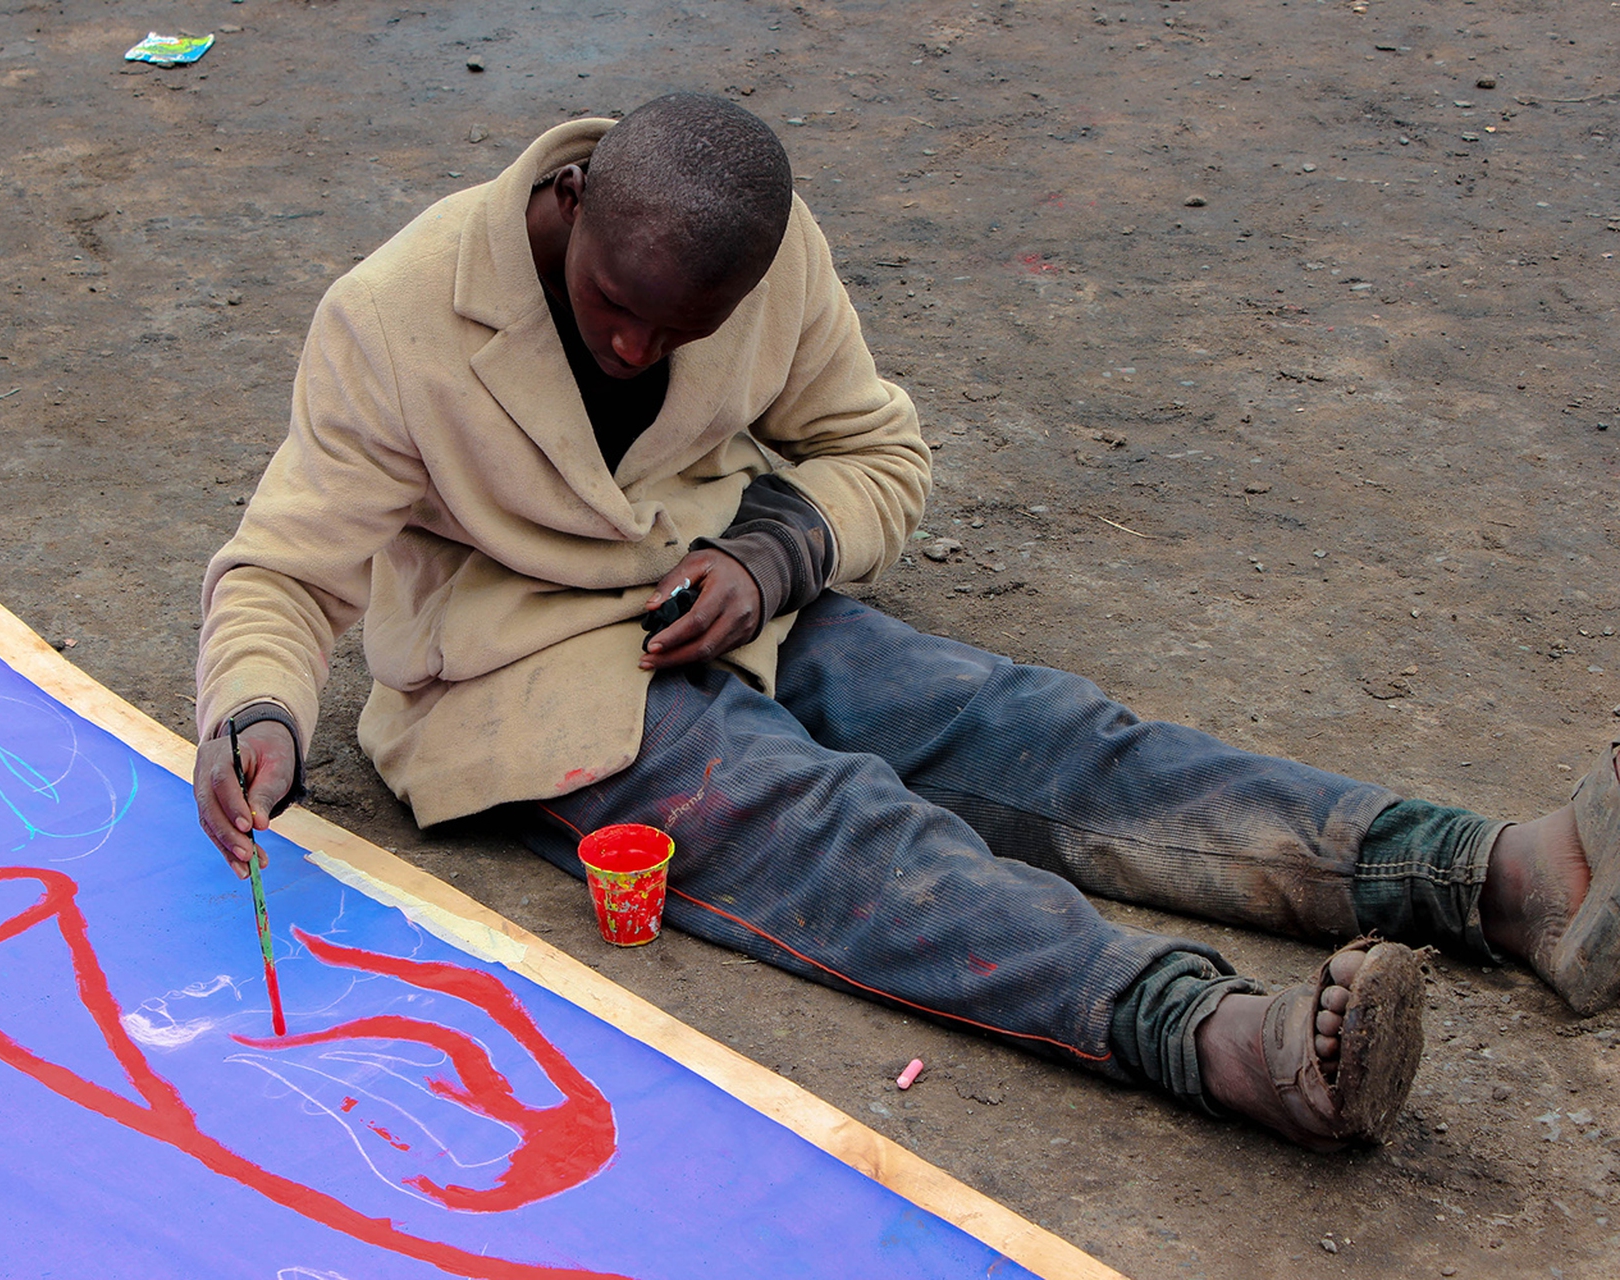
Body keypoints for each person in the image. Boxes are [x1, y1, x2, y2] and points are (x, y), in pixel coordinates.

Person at [191, 92, 1619, 1151]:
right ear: (571, 211)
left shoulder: (770, 258)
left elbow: (877, 454)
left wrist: (772, 556)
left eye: (681, 330)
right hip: (520, 677)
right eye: (615, 307)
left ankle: (1497, 878)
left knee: (1036, 730)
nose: (638, 346)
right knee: (840, 834)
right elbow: (280, 573)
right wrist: (254, 710)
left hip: (723, 593)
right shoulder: (393, 317)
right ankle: (1223, 1041)